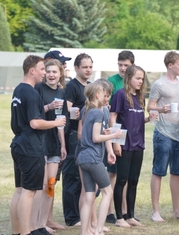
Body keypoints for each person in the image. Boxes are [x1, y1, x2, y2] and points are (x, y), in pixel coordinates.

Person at [10, 55, 66, 235]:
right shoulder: (32, 92)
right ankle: (27, 232)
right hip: (30, 147)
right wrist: (56, 123)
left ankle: (17, 231)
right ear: (32, 70)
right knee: (29, 191)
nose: (44, 73)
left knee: (20, 191)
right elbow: (35, 123)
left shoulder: (19, 90)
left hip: (18, 143)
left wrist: (47, 109)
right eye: (42, 69)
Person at [77, 82, 122, 235]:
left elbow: (91, 133)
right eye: (104, 94)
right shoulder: (98, 112)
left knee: (89, 196)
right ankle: (98, 231)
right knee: (107, 193)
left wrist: (106, 134)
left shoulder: (87, 110)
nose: (106, 97)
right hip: (92, 157)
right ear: (97, 95)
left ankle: (85, 232)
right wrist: (114, 135)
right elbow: (96, 138)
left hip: (82, 157)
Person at [147, 51, 179, 222]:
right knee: (159, 172)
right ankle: (155, 211)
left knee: (177, 173)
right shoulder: (159, 84)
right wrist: (160, 110)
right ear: (170, 65)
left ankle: (177, 210)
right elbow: (150, 106)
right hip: (163, 133)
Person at [110, 65, 151, 227]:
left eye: (142, 78)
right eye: (137, 78)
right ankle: (119, 217)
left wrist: (149, 118)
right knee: (121, 180)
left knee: (134, 180)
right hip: (124, 144)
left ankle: (130, 216)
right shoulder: (120, 95)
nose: (140, 81)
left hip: (138, 145)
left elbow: (138, 119)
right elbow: (113, 117)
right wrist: (115, 142)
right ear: (129, 78)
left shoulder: (141, 97)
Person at [34, 59, 68, 232]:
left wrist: (63, 145)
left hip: (54, 143)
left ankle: (45, 222)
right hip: (40, 142)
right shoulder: (38, 89)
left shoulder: (62, 93)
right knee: (40, 185)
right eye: (49, 71)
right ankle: (37, 224)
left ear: (61, 74)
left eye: (55, 72)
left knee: (51, 184)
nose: (52, 75)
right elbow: (33, 115)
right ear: (45, 73)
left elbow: (60, 121)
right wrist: (48, 106)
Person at [63, 53, 93, 226]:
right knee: (72, 176)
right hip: (74, 135)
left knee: (85, 178)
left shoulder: (90, 86)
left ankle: (82, 213)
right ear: (76, 68)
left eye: (90, 67)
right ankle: (72, 217)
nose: (88, 70)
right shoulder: (72, 87)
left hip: (88, 137)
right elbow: (67, 112)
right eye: (85, 67)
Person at [106, 50, 135, 224]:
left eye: (126, 65)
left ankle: (124, 211)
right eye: (120, 65)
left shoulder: (135, 82)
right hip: (116, 134)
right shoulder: (112, 82)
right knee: (113, 174)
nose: (123, 68)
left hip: (131, 137)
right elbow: (111, 114)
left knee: (125, 176)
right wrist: (115, 138)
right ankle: (110, 211)